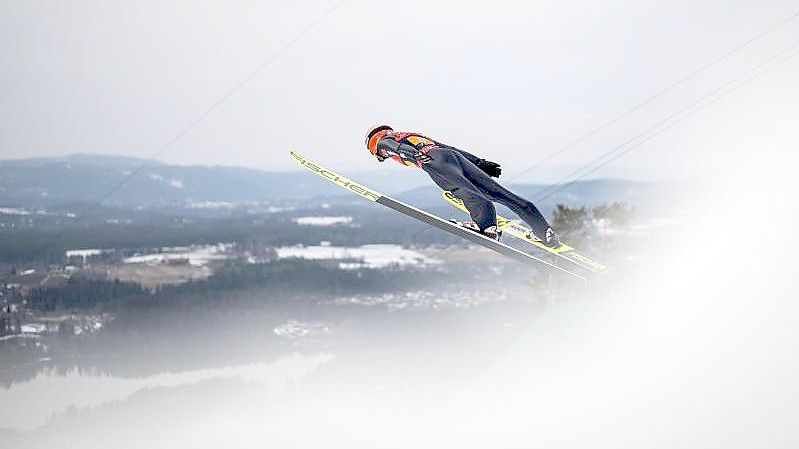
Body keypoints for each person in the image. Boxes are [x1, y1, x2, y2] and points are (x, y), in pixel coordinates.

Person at [365, 125, 560, 246]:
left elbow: (393, 148)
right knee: (501, 194)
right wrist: (480, 163)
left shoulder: (383, 141)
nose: (382, 157)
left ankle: (485, 225)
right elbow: (450, 149)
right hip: (451, 157)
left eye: (378, 156)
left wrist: (414, 155)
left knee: (464, 191)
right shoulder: (410, 134)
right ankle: (544, 231)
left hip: (432, 161)